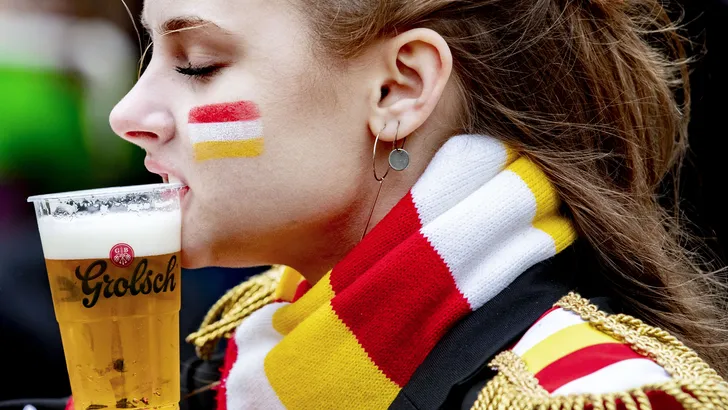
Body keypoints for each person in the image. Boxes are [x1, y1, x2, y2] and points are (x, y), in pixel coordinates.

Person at [105, 0, 728, 408]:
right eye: (151, 54)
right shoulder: (250, 346)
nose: (126, 114)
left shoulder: (591, 392)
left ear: (398, 89)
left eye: (198, 64)